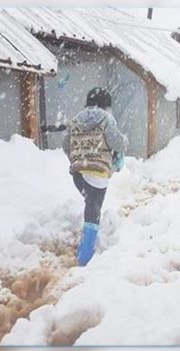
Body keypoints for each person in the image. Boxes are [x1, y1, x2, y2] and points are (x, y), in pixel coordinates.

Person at [63, 87, 128, 266]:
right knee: (93, 211)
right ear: (106, 105)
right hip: (97, 173)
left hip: (78, 174)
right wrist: (125, 141)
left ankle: (86, 246)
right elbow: (118, 143)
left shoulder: (76, 119)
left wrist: (79, 159)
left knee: (89, 203)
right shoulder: (106, 118)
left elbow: (65, 144)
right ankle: (85, 257)